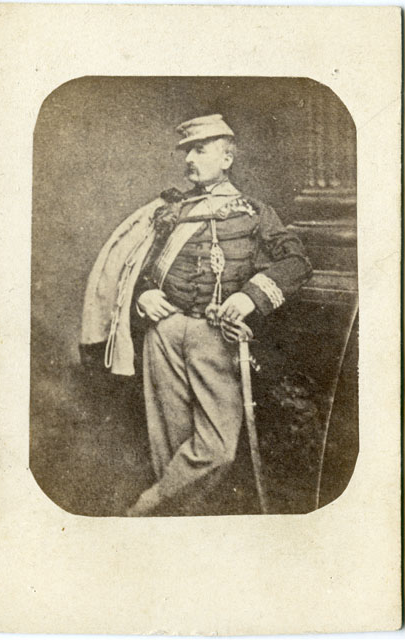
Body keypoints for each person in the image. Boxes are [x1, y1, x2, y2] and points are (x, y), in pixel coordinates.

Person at [81, 114, 312, 516]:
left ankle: (148, 506)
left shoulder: (255, 213)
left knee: (217, 448)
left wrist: (250, 298)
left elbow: (297, 263)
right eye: (187, 151)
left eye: (199, 150)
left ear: (227, 158)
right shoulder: (169, 211)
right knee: (170, 443)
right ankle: (182, 526)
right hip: (164, 334)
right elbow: (135, 267)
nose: (189, 159)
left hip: (215, 337)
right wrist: (145, 295)